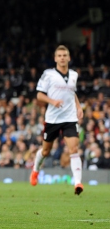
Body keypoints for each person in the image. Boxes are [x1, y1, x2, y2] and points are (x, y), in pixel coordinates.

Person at [30, 45, 84, 195]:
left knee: (74, 149)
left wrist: (78, 107)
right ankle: (35, 170)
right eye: (59, 55)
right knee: (46, 151)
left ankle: (78, 183)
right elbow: (39, 95)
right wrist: (52, 101)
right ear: (55, 58)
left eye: (64, 55)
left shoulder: (74, 75)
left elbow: (73, 93)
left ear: (69, 58)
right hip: (53, 118)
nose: (62, 58)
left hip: (70, 117)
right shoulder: (48, 74)